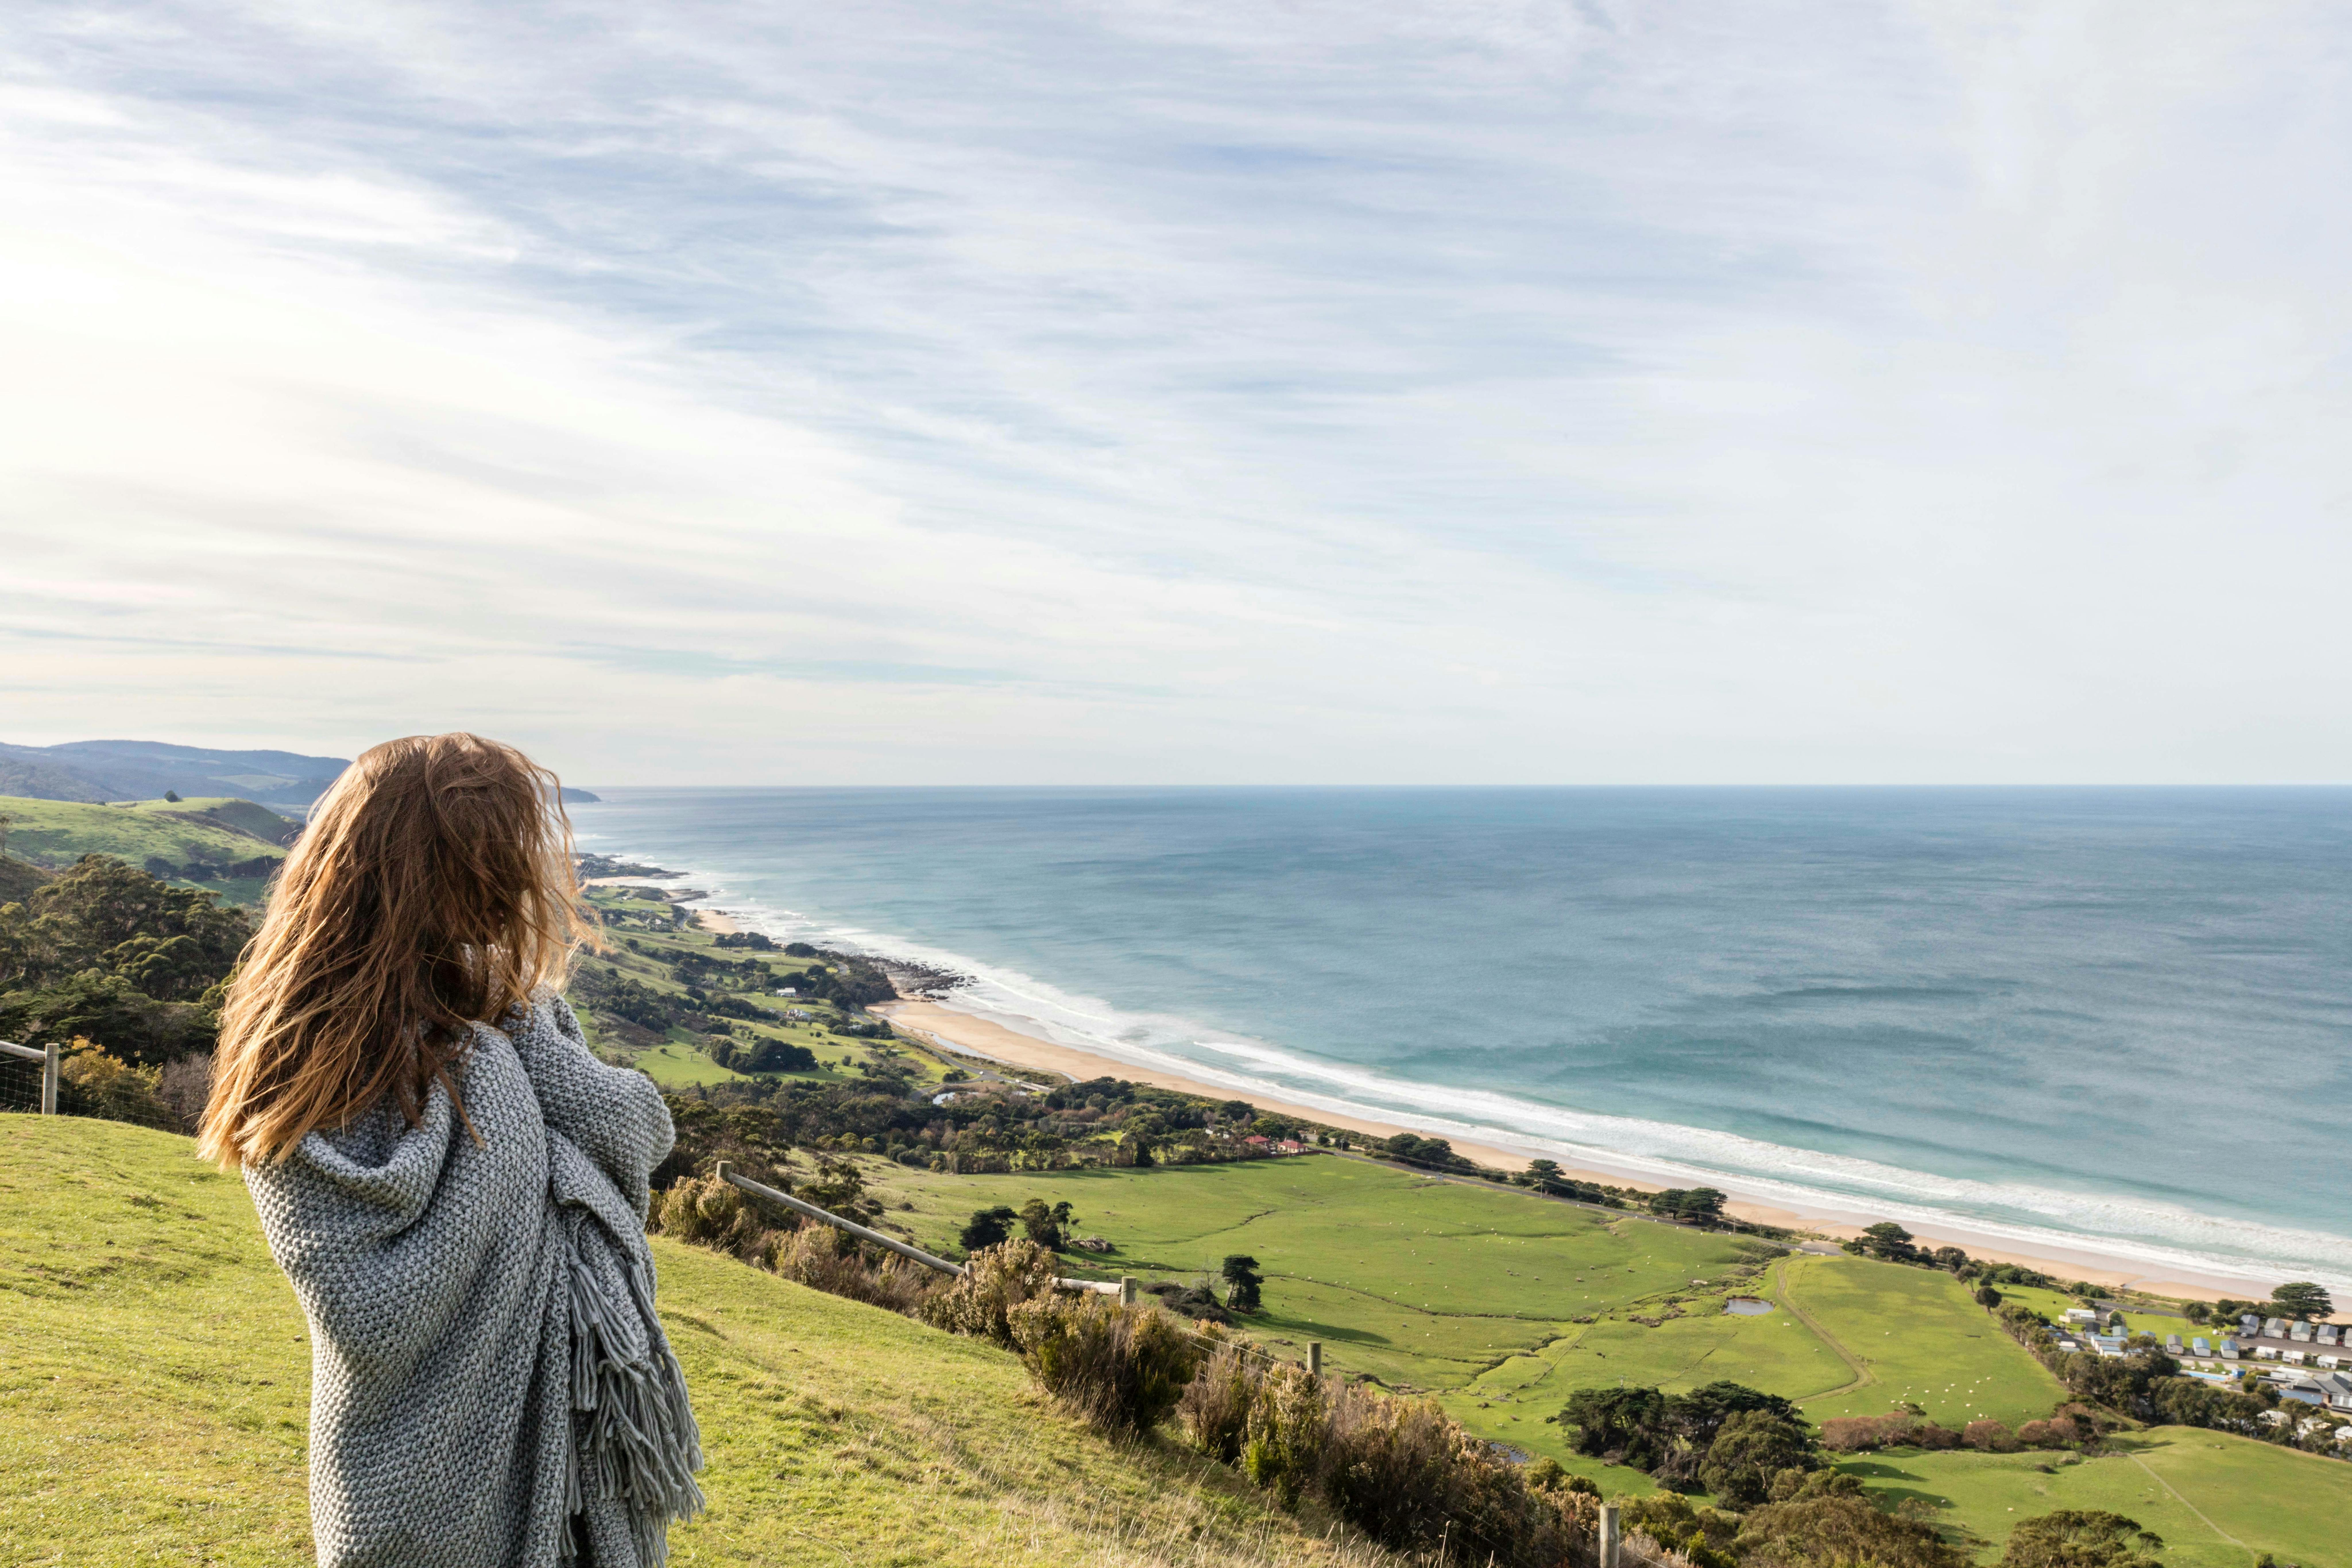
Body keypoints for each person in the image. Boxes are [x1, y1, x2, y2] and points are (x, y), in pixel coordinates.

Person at [199, 733, 702, 1567]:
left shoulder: (513, 1029)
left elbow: (636, 1130)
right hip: (415, 1494)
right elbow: (368, 1306)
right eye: (497, 856)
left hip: (569, 1488)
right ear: (441, 873)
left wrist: (511, 1038)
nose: (519, 882)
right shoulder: (319, 1063)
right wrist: (503, 1057)